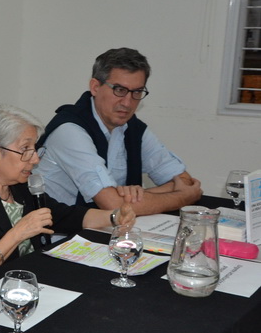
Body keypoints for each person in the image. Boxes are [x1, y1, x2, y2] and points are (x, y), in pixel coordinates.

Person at [0, 105, 135, 296]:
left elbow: (64, 216)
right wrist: (19, 232)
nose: (35, 159)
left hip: (18, 285)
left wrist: (114, 216)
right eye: (25, 150)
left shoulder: (18, 185)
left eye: (34, 148)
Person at [35, 47, 202, 214]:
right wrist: (183, 198)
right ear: (95, 87)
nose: (128, 103)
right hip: (60, 234)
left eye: (137, 92)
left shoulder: (133, 128)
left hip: (105, 228)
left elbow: (184, 181)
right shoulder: (69, 131)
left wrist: (138, 195)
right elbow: (113, 205)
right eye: (119, 90)